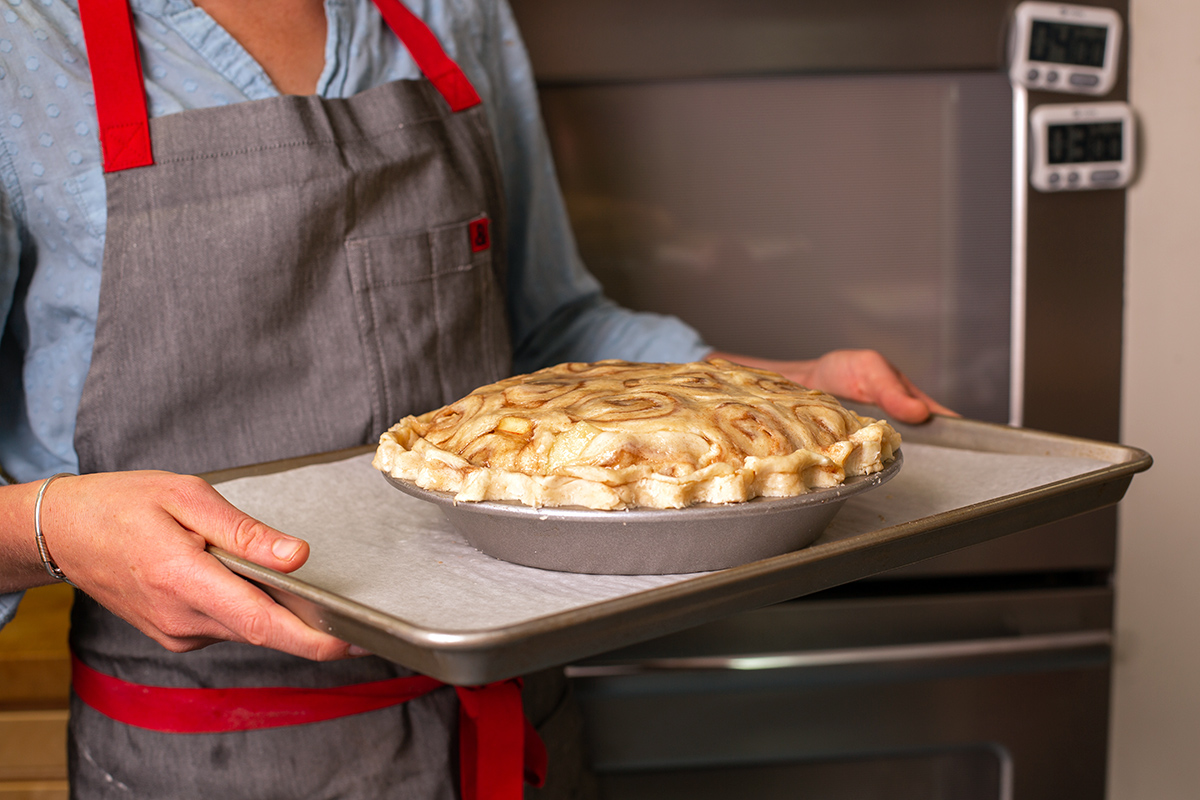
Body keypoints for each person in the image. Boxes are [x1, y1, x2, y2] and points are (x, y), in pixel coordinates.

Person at [0, 1, 951, 797]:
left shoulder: (451, 8)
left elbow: (549, 335)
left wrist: (782, 396)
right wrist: (51, 527)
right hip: (206, 749)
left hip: (510, 719)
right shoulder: (23, 36)